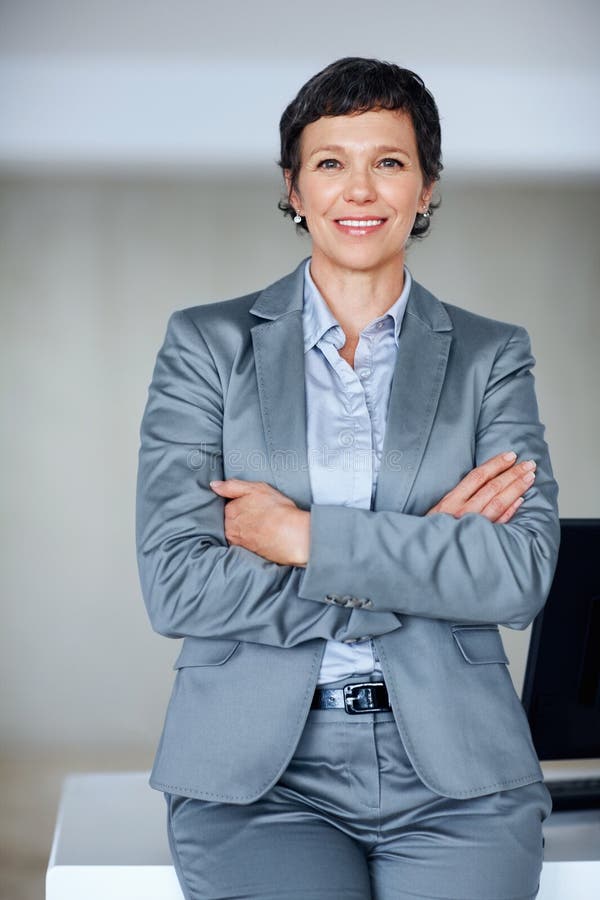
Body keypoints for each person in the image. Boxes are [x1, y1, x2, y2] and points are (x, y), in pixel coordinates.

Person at [136, 57, 559, 900]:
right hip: (258, 781)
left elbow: (518, 577)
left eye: (389, 162)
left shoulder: (490, 355)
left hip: (460, 775)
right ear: (294, 188)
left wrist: (301, 538)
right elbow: (178, 586)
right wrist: (427, 554)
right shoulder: (206, 347)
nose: (359, 189)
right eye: (331, 163)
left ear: (427, 188)